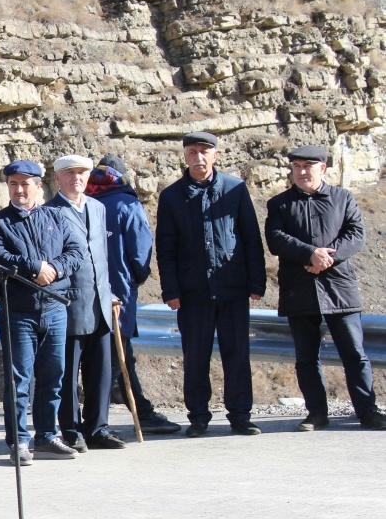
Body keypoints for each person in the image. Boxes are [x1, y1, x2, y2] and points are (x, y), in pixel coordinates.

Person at [264, 145, 386, 431]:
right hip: (299, 290)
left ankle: (367, 412)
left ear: (323, 169)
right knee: (306, 358)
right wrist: (310, 254)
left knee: (354, 354)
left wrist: (327, 258)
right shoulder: (279, 204)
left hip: (339, 289)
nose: (302, 171)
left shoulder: (343, 198)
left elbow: (356, 235)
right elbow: (275, 239)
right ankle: (316, 414)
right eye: (297, 166)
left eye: (308, 166)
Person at [156, 132, 266, 437]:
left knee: (237, 355)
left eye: (205, 151)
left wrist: (256, 282)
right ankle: (198, 417)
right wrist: (171, 290)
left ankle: (241, 416)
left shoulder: (235, 189)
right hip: (193, 293)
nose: (199, 157)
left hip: (233, 288)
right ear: (185, 157)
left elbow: (251, 237)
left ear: (215, 155)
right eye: (192, 152)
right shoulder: (172, 196)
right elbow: (165, 248)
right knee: (195, 357)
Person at [0, 161, 83, 463]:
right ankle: (19, 441)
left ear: (39, 186)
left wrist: (54, 269)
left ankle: (47, 435)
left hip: (54, 308)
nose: (19, 189)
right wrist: (34, 268)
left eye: (25, 183)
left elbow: (76, 253)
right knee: (19, 380)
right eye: (13, 183)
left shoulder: (56, 217)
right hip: (19, 312)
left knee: (53, 376)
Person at [86, 155, 181, 435]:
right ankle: (95, 422)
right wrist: (136, 278)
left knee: (110, 355)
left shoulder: (83, 201)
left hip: (85, 293)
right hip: (119, 291)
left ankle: (141, 411)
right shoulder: (127, 204)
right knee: (116, 358)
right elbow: (140, 253)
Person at [46, 155, 128, 451]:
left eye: (81, 173)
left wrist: (110, 292)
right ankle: (71, 430)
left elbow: (102, 256)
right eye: (69, 173)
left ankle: (98, 427)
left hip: (100, 302)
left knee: (101, 372)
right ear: (58, 178)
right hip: (68, 305)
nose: (76, 178)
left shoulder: (97, 207)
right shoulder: (49, 212)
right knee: (67, 374)